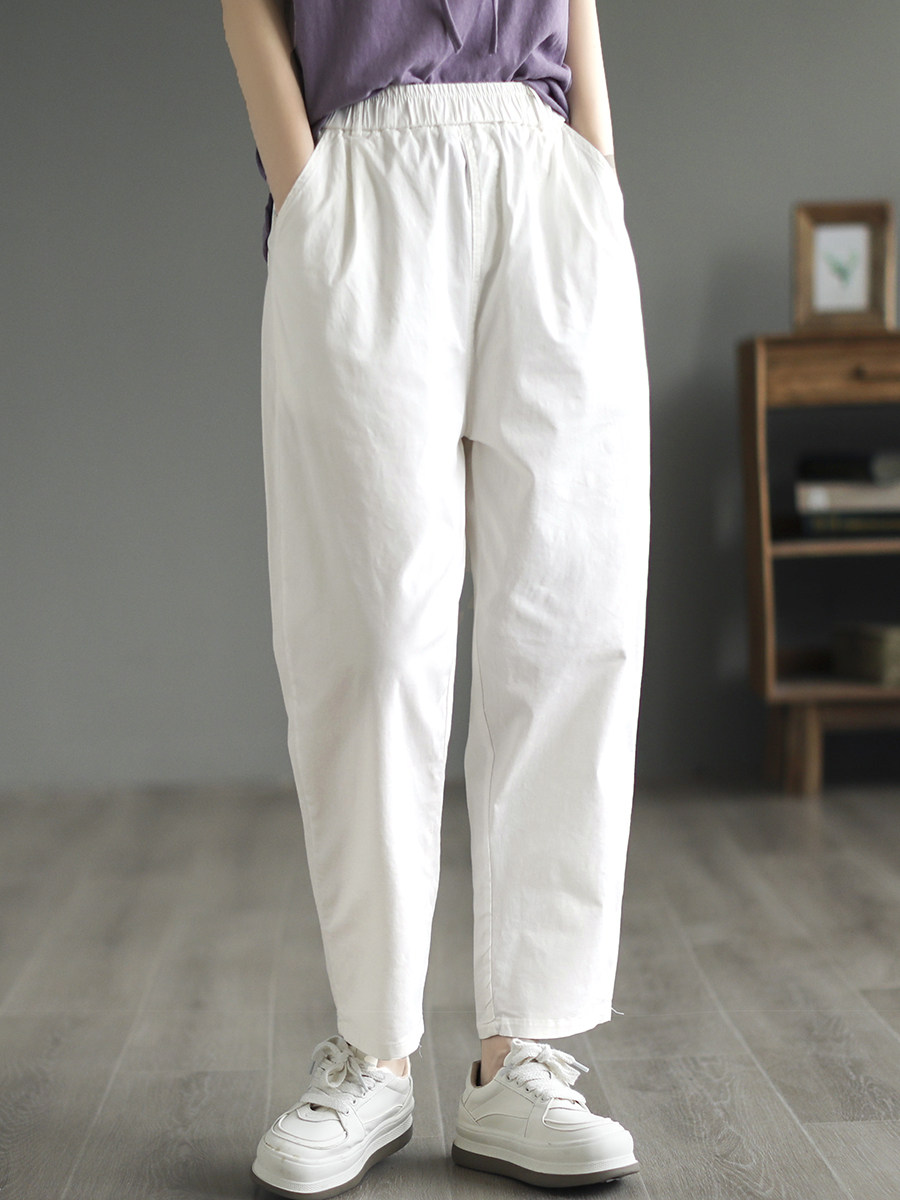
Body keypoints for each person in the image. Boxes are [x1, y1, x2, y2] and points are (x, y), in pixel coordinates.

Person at [220, 1, 650, 1195]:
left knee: (574, 622)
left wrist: (594, 165)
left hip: (545, 164)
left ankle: (525, 1054)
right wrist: (307, 189)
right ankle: (374, 1052)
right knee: (365, 634)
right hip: (362, 164)